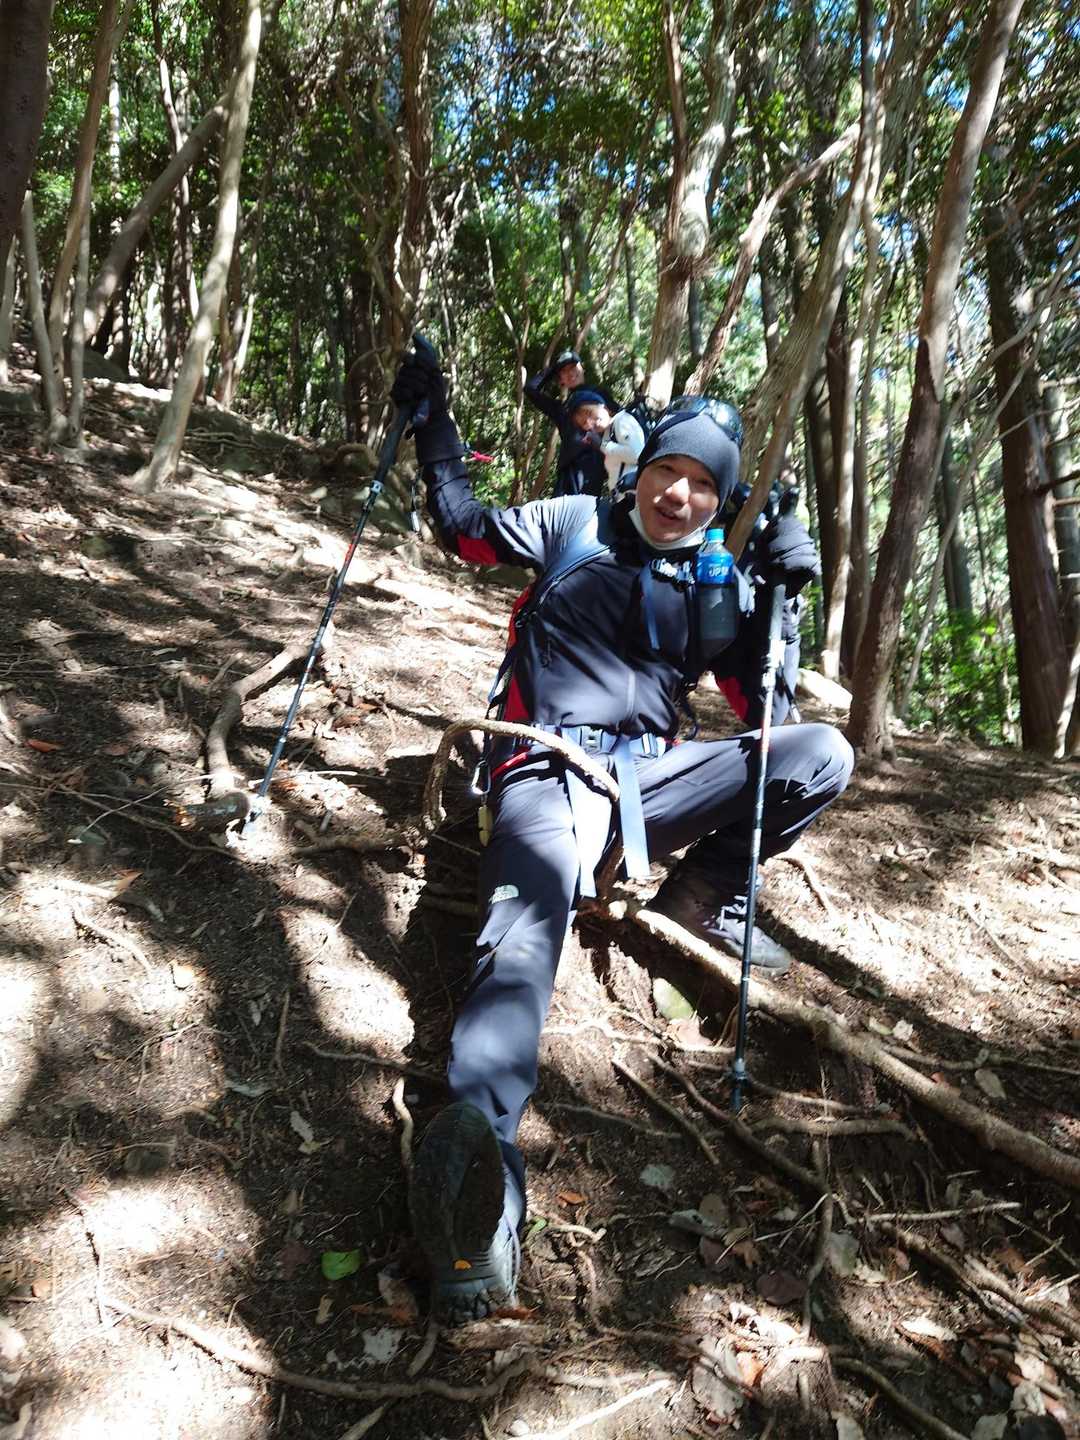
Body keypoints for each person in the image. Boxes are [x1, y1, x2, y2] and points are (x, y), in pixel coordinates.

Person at [390, 344, 854, 1325]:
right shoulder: (574, 522)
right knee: (523, 942)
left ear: (719, 499)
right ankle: (480, 1172)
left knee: (822, 754)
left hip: (646, 789)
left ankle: (701, 902)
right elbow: (465, 532)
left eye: (703, 485)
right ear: (640, 469)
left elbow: (766, 720)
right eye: (668, 472)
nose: (680, 495)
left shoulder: (719, 585)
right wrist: (435, 423)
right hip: (545, 768)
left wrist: (779, 608)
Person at [524, 348, 613, 497]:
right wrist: (552, 369)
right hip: (566, 474)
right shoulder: (562, 408)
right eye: (564, 371)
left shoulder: (600, 394)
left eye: (573, 367)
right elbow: (530, 389)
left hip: (592, 470)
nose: (570, 373)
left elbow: (620, 418)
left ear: (582, 368)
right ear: (561, 380)